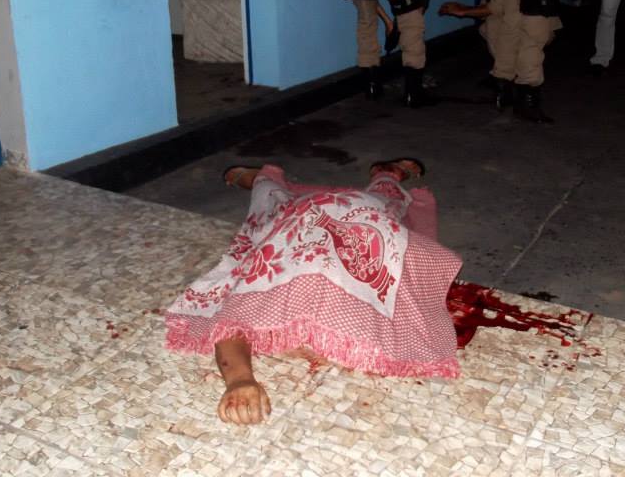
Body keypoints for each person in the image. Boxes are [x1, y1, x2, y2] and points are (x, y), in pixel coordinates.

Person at [165, 158, 462, 425]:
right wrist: (240, 380)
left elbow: (230, 330)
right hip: (303, 220)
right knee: (274, 207)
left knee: (382, 205)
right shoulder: (273, 285)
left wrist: (240, 380)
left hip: (357, 214)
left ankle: (386, 174)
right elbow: (230, 326)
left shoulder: (364, 297)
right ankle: (264, 178)